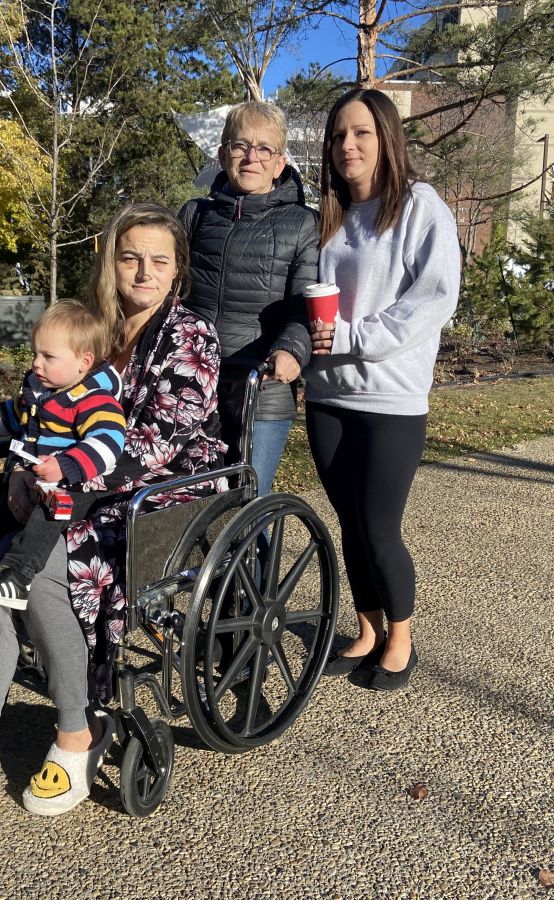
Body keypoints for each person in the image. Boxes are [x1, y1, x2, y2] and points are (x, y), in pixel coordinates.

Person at [0, 203, 223, 852]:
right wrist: (22, 472)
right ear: (111, 261)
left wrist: (60, 478)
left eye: (159, 259)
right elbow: (31, 411)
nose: (143, 271)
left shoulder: (190, 337)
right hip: (64, 489)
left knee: (37, 565)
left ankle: (77, 732)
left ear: (178, 268)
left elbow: (155, 444)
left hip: (154, 498)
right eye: (130, 257)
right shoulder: (87, 327)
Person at [305, 88, 460, 692]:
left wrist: (353, 335)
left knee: (378, 526)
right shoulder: (331, 213)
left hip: (390, 397)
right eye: (339, 135)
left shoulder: (420, 206)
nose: (348, 145)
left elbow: (434, 298)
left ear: (387, 138)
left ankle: (401, 638)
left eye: (362, 133)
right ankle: (367, 628)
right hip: (327, 396)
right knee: (348, 522)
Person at [0, 299, 127, 609]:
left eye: (48, 356)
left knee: (47, 517)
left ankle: (18, 577)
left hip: (74, 489)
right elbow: (10, 416)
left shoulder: (94, 400)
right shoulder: (38, 391)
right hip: (33, 481)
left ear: (84, 361)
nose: (36, 363)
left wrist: (66, 465)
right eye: (36, 354)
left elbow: (109, 441)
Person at [179, 100, 317, 495]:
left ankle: (254, 559)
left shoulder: (302, 223)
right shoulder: (195, 215)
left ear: (279, 162)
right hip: (191, 382)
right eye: (240, 146)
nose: (251, 157)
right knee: (184, 501)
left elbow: (303, 304)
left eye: (264, 149)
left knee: (247, 500)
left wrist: (292, 348)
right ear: (224, 155)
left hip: (262, 386)